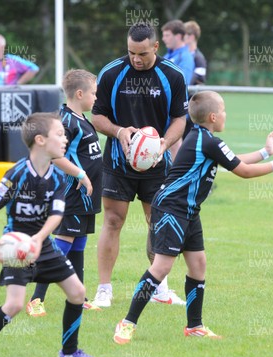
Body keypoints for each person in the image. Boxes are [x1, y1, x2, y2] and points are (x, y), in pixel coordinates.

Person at [112, 90, 273, 344]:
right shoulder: (208, 141)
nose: (226, 115)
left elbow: (233, 160)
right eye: (223, 111)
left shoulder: (203, 138)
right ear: (213, 116)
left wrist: (266, 152)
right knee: (161, 267)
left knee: (198, 264)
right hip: (171, 208)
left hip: (188, 211)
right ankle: (127, 323)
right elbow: (243, 171)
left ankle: (195, 326)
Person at [0, 113, 104, 357]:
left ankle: (69, 352)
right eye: (59, 134)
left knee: (77, 293)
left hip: (42, 246)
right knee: (14, 305)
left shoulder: (57, 177)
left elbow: (57, 214)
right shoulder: (18, 173)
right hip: (16, 247)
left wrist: (40, 238)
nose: (65, 139)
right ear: (40, 140)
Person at [91, 22, 188, 308]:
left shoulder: (173, 76)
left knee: (157, 222)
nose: (136, 58)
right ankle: (104, 289)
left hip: (157, 163)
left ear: (156, 47)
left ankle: (160, 288)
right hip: (118, 162)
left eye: (143, 53)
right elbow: (98, 117)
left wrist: (164, 145)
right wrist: (120, 132)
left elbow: (180, 119)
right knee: (112, 221)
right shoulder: (111, 73)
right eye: (132, 52)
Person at [25, 69, 102, 316]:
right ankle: (36, 299)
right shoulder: (65, 122)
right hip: (72, 192)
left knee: (79, 244)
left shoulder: (80, 117)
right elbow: (54, 155)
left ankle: (79, 296)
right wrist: (80, 174)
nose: (96, 98)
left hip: (86, 194)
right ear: (80, 94)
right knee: (63, 245)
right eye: (94, 93)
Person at [161, 20, 194, 85]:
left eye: (167, 35)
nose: (163, 39)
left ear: (178, 36)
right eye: (163, 35)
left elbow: (183, 83)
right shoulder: (167, 56)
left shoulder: (185, 57)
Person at [184, 21, 207, 86]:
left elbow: (200, 79)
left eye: (183, 35)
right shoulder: (180, 55)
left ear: (191, 37)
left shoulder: (199, 58)